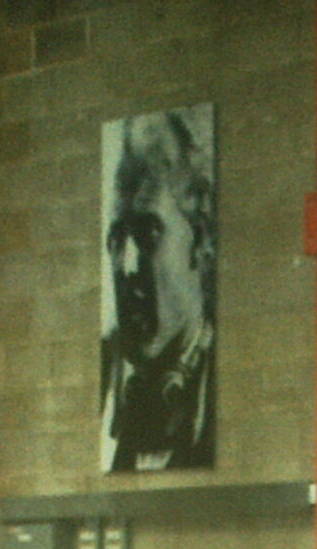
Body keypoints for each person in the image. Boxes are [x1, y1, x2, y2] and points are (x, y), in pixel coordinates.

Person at [101, 109, 215, 473]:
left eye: (148, 233)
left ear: (200, 244)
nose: (126, 266)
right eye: (118, 239)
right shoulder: (105, 381)